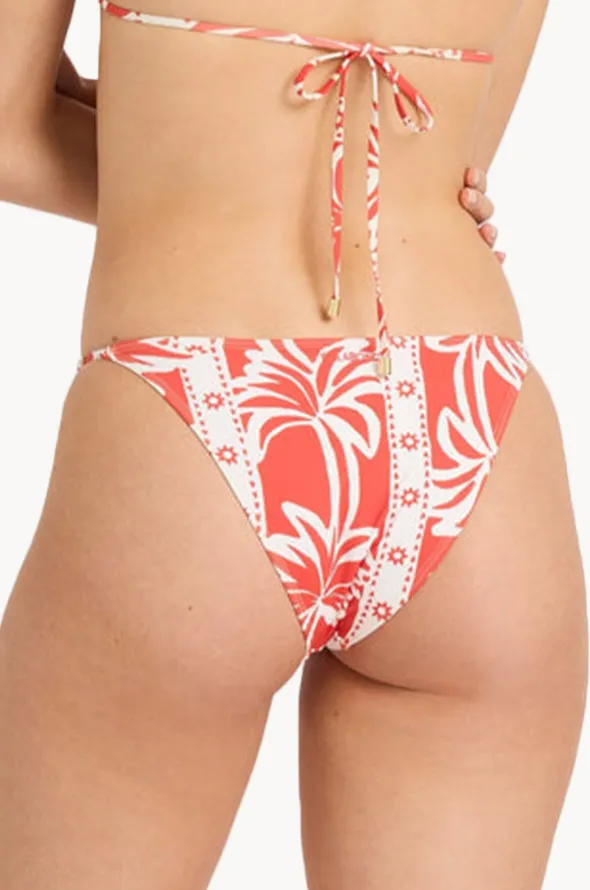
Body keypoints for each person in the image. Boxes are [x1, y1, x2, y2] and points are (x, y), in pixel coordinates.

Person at [0, 1, 586, 888]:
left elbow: (7, 134)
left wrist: (189, 164)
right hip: (470, 414)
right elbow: (447, 172)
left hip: (197, 410)